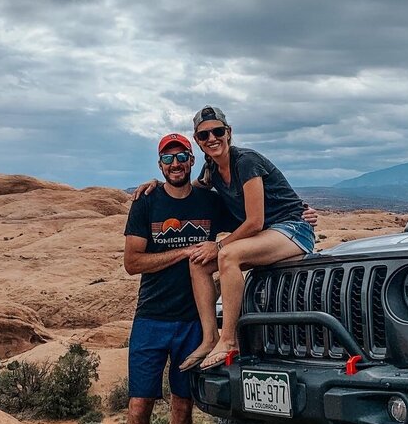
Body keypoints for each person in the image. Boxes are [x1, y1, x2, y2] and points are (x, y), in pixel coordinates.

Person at [104, 132, 226, 424]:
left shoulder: (209, 201)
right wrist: (186, 251)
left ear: (191, 161)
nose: (175, 164)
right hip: (152, 319)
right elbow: (132, 262)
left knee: (182, 407)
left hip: (194, 320)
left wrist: (302, 216)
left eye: (182, 157)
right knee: (138, 407)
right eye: (168, 158)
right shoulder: (147, 202)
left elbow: (248, 220)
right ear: (159, 165)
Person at [132, 106, 316, 371]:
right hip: (270, 235)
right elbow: (188, 188)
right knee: (198, 261)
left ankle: (230, 340)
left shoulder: (246, 162)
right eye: (204, 135)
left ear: (228, 133)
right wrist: (158, 186)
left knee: (228, 254)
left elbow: (254, 221)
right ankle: (210, 338)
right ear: (198, 141)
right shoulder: (213, 169)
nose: (212, 139)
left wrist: (218, 245)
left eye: (217, 131)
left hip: (293, 229)